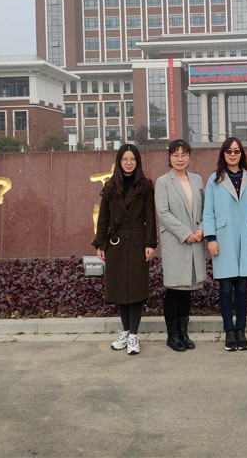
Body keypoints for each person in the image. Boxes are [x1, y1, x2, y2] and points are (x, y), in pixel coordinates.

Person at [93, 144, 156, 356]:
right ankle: (127, 332)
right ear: (119, 162)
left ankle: (134, 335)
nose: (129, 163)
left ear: (137, 162)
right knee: (120, 289)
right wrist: (100, 244)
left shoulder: (145, 185)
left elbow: (150, 216)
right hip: (116, 242)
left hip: (137, 240)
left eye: (132, 159)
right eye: (125, 159)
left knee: (135, 289)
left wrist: (150, 243)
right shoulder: (110, 186)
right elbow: (104, 218)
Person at [203, 137, 247, 351]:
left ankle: (241, 329)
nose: (232, 154)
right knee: (225, 288)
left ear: (242, 154)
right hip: (223, 237)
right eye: (228, 151)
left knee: (242, 287)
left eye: (236, 151)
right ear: (223, 154)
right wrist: (211, 238)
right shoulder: (214, 179)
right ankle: (229, 330)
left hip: (245, 235)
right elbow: (208, 211)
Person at [155, 139, 205, 352]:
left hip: (196, 241)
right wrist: (186, 234)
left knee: (187, 290)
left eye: (184, 154)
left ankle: (183, 333)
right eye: (175, 155)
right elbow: (163, 212)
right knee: (174, 290)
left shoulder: (197, 180)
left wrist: (202, 229)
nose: (180, 159)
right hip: (176, 241)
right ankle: (172, 335)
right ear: (169, 157)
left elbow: (206, 209)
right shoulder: (163, 182)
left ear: (190, 157)